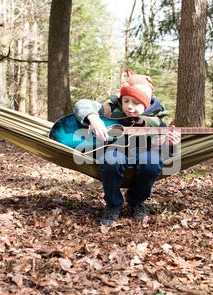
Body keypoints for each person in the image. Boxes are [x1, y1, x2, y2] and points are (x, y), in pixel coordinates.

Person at [73, 68, 180, 225]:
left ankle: (136, 200)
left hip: (144, 152)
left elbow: (165, 151)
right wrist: (93, 119)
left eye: (136, 103)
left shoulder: (156, 120)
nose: (130, 106)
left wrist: (170, 143)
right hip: (114, 149)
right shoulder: (111, 109)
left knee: (152, 162)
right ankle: (113, 204)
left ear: (147, 104)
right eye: (126, 101)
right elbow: (82, 104)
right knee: (111, 161)